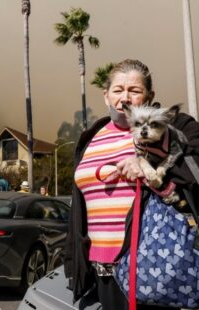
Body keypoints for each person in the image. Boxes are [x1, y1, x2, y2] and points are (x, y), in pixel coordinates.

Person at [64, 59, 199, 310]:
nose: (125, 97)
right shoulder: (90, 138)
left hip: (154, 265)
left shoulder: (174, 126)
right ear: (106, 96)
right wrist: (75, 263)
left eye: (134, 90)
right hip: (100, 271)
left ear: (149, 96)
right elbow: (79, 208)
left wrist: (153, 163)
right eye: (117, 90)